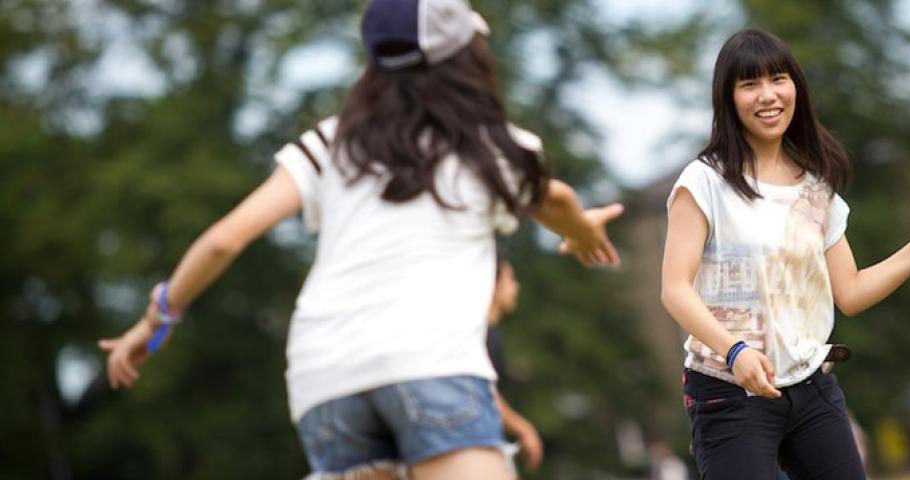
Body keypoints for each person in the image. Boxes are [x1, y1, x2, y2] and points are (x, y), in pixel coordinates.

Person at [96, 0, 624, 479]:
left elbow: (223, 241)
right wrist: (582, 232)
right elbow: (553, 200)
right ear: (469, 56)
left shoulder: (332, 141)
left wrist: (156, 319)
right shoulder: (493, 147)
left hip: (325, 379)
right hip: (431, 365)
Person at [659, 29, 910, 479]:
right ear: (728, 98)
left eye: (778, 79)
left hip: (811, 386)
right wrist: (735, 352)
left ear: (796, 89)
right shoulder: (704, 182)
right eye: (749, 84)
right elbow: (674, 289)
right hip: (728, 391)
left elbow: (850, 292)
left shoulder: (816, 189)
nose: (767, 95)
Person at [486, 257, 544, 474]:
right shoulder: (483, 333)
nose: (515, 286)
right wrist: (524, 428)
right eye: (510, 280)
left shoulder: (491, 332)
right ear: (491, 286)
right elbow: (485, 392)